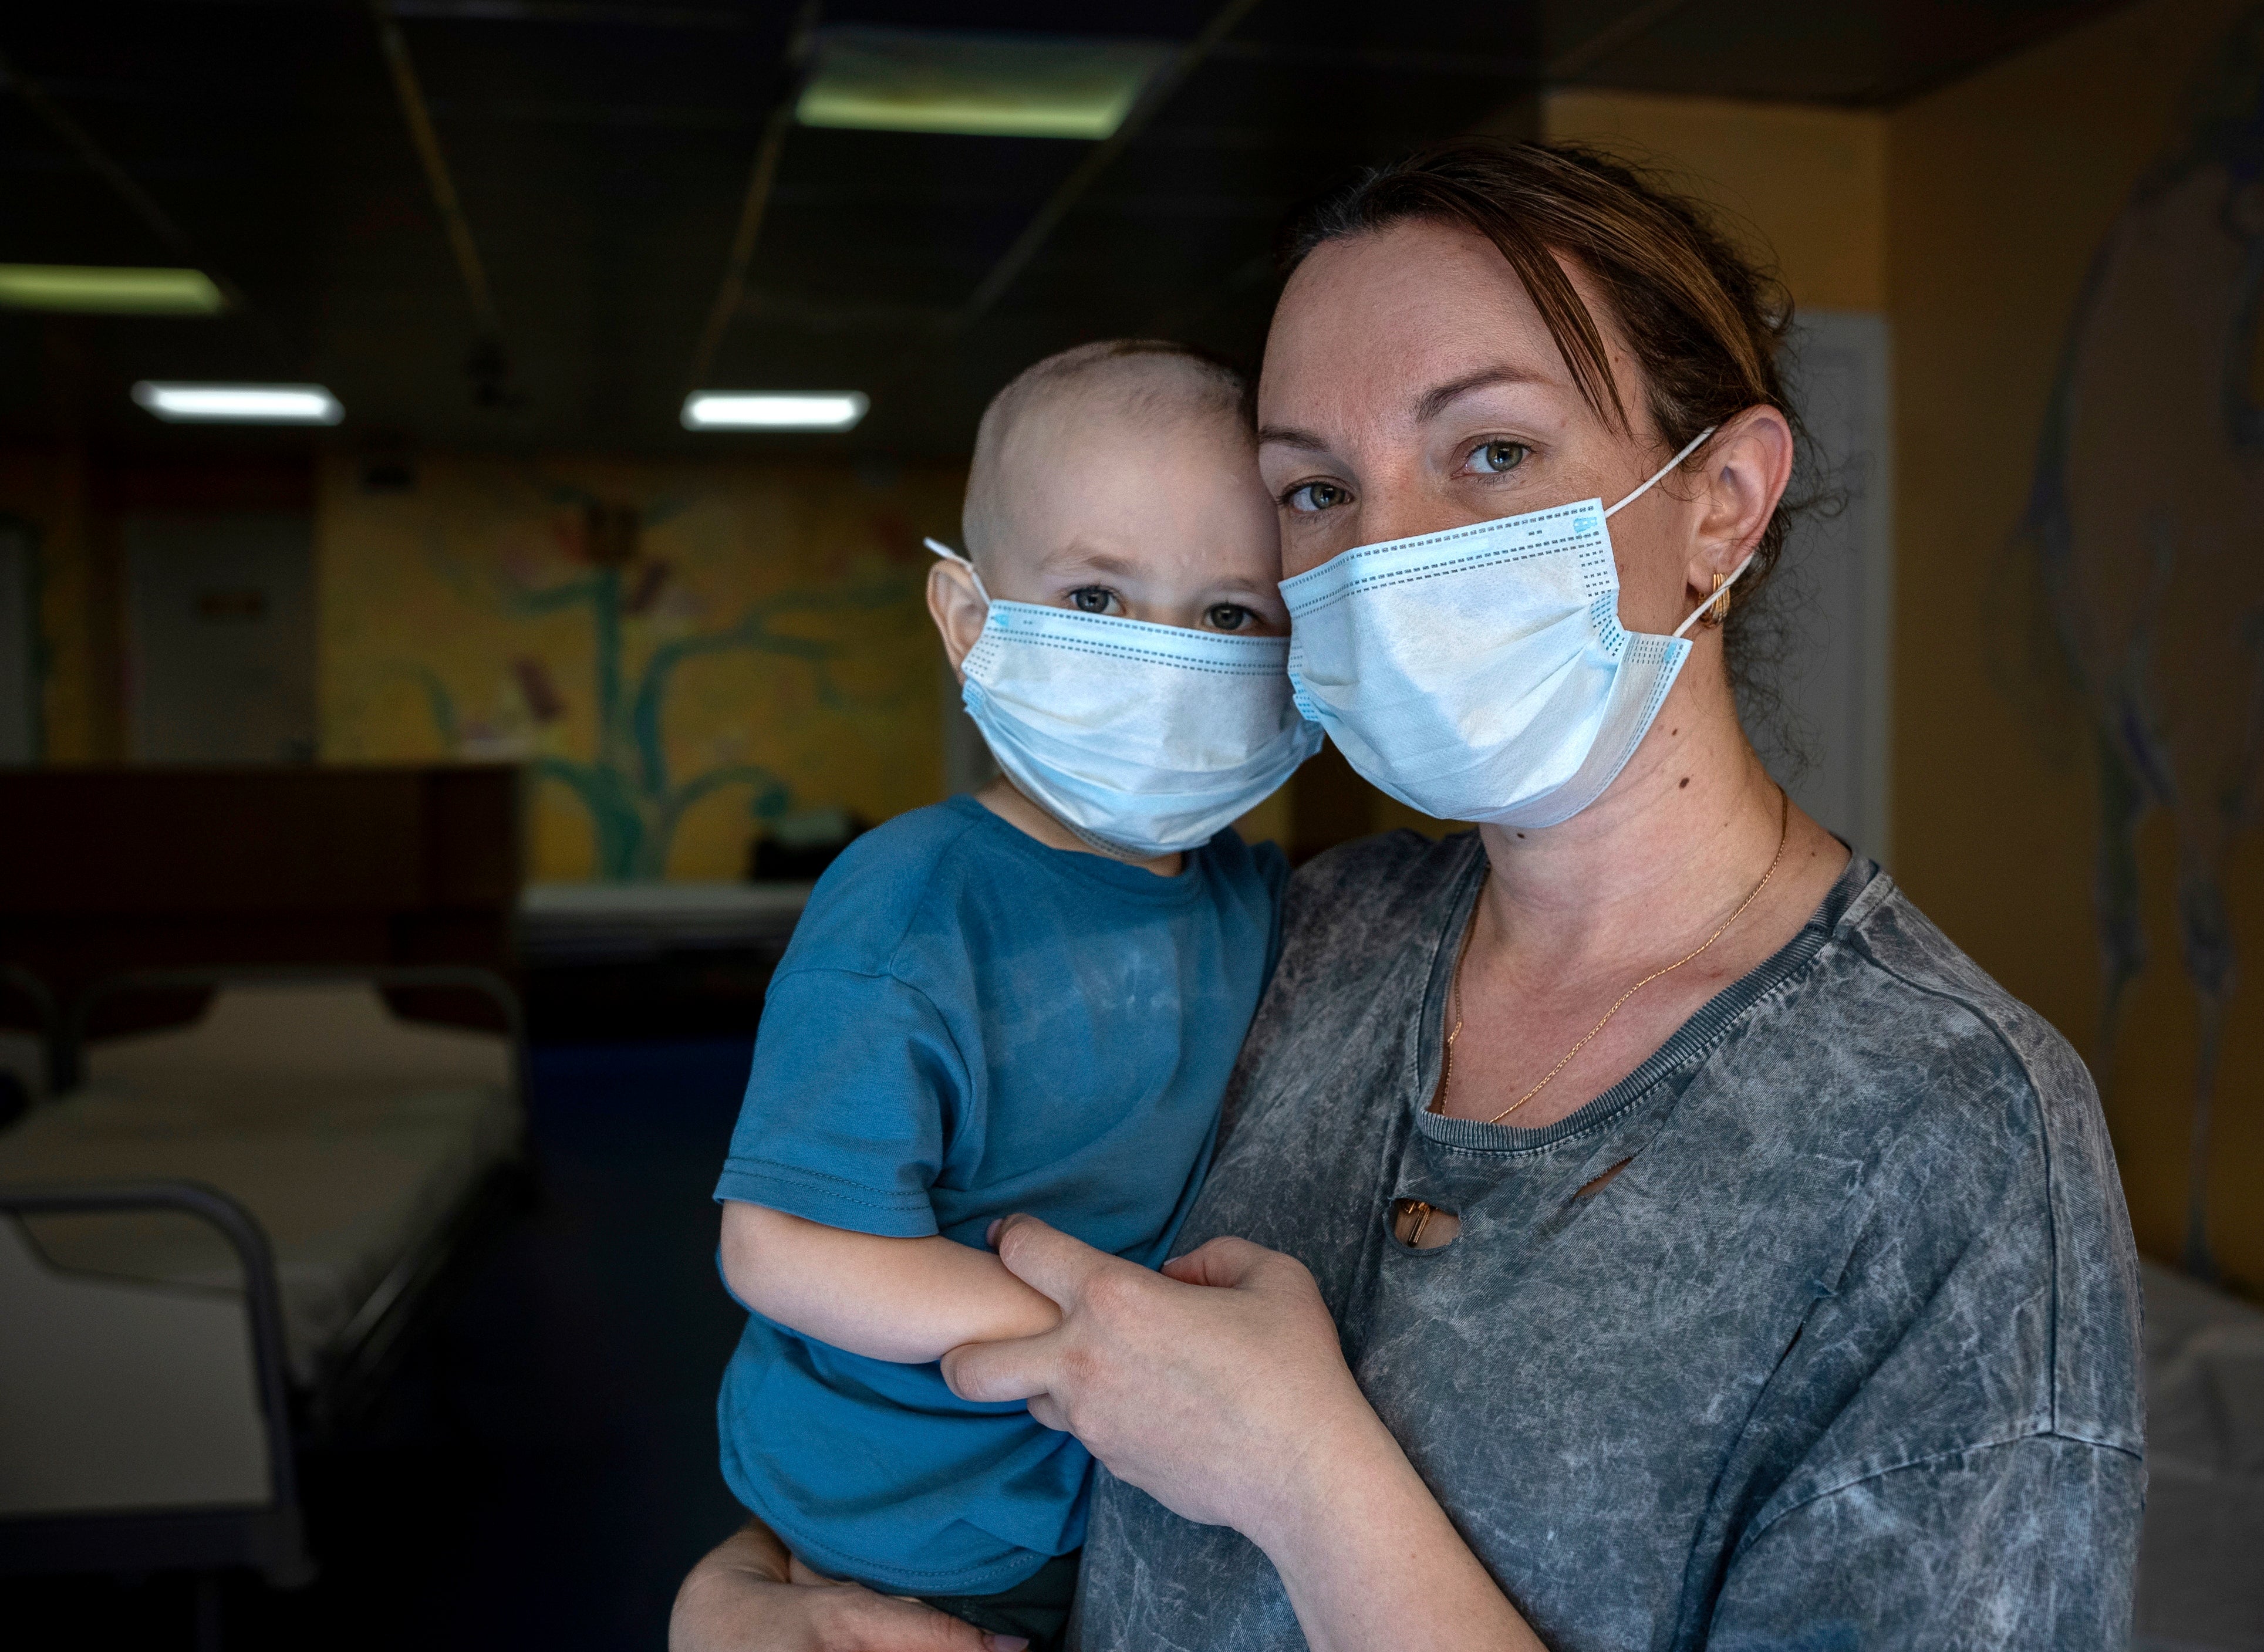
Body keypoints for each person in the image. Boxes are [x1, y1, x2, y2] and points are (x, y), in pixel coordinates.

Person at [673, 139, 2143, 1652]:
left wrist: (1304, 1475)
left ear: (1720, 500)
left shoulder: (1949, 1133)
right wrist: (757, 1590)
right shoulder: (1302, 933)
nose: (1382, 554)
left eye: (1489, 452)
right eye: (1313, 486)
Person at [706, 340, 1318, 1652]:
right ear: (971, 620)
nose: (1164, 656)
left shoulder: (1255, 901)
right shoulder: (913, 904)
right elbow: (777, 1245)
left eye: (1228, 614)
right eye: (1096, 596)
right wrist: (1096, 1329)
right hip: (901, 1519)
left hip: (1105, 1502)